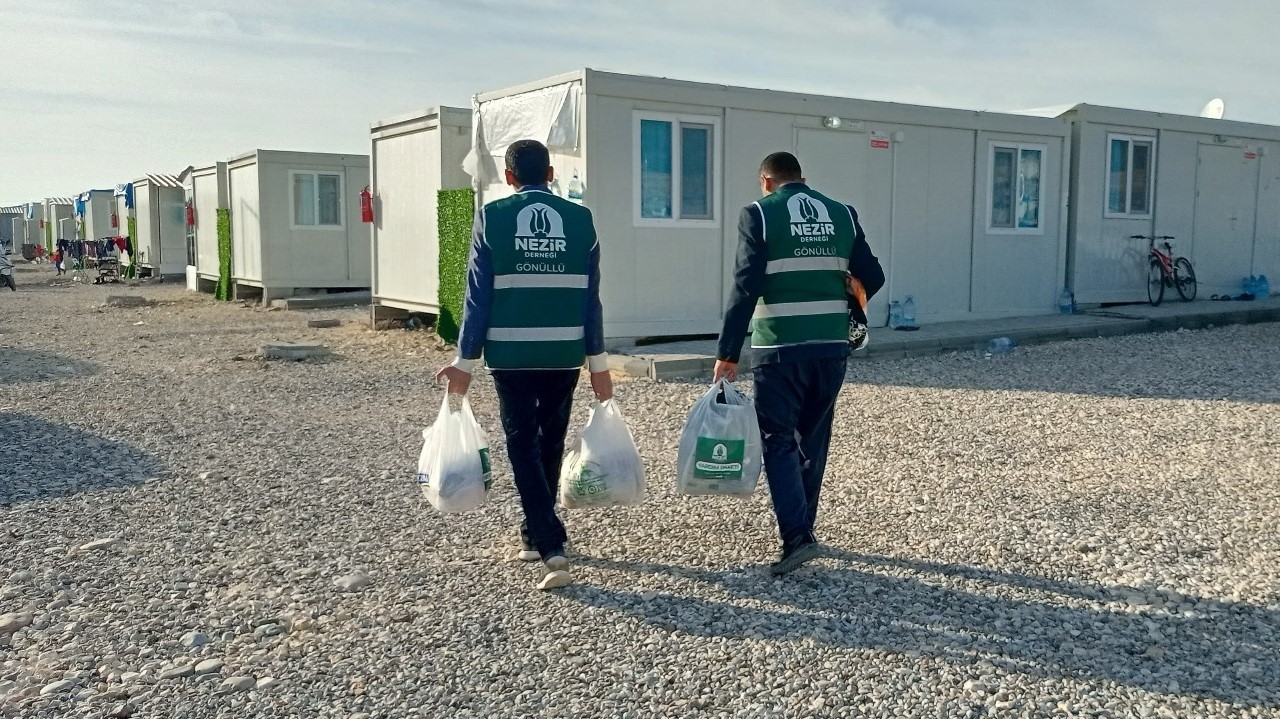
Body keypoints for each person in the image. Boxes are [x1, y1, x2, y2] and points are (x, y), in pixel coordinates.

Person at [435, 139, 612, 591]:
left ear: (509, 177)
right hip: (563, 354)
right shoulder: (582, 221)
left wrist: (464, 363)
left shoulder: (491, 218)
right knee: (550, 439)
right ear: (551, 174)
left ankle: (550, 543)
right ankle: (536, 533)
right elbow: (591, 299)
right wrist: (599, 364)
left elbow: (477, 297)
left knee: (521, 443)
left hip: (510, 355)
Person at [713, 151, 885, 575]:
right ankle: (804, 528)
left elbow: (745, 285)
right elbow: (874, 276)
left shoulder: (759, 214)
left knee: (778, 439)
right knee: (813, 440)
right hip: (830, 348)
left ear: (766, 182)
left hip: (780, 348)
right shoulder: (842, 214)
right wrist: (849, 296)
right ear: (802, 179)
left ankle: (797, 537)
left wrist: (728, 353)